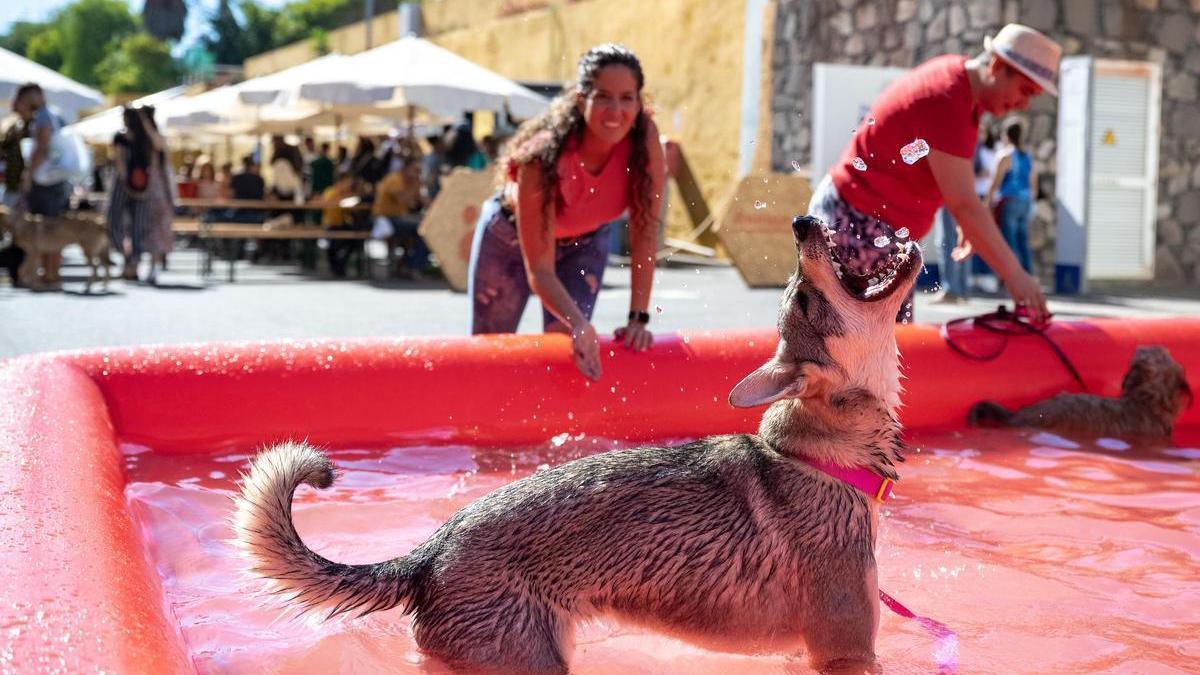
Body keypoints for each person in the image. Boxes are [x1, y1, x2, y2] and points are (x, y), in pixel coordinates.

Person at [808, 24, 1059, 323]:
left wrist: (970, 219)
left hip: (866, 225)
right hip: (854, 225)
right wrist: (1015, 276)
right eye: (1025, 90)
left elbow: (954, 186)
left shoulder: (960, 87)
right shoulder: (949, 97)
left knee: (883, 356)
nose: (1024, 105)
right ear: (997, 66)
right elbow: (964, 203)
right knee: (859, 358)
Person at [468, 43, 666, 380]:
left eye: (627, 97)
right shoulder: (541, 157)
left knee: (566, 352)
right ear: (580, 100)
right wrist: (579, 323)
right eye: (602, 96)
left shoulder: (644, 137)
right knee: (492, 355)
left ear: (639, 101)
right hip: (509, 241)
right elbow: (540, 269)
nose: (615, 110)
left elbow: (645, 230)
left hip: (584, 243)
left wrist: (638, 317)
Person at [13, 83, 71, 284]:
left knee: (49, 228)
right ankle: (50, 273)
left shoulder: (44, 117)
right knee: (50, 227)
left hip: (47, 182)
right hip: (54, 181)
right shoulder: (52, 115)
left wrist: (28, 175)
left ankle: (51, 274)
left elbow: (42, 148)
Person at [107, 105, 169, 282]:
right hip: (144, 186)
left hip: (125, 185)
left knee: (115, 220)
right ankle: (132, 261)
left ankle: (128, 259)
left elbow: (119, 164)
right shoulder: (144, 139)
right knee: (138, 226)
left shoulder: (123, 138)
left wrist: (127, 184)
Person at [987, 118, 1036, 275]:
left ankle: (1013, 277)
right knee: (1023, 241)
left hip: (1010, 201)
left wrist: (986, 201)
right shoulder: (1027, 156)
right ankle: (1028, 276)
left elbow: (996, 182)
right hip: (1026, 201)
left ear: (1006, 135)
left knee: (1010, 242)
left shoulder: (1005, 156)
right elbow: (1033, 181)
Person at [372, 159, 430, 277]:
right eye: (415, 170)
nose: (417, 174)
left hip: (396, 219)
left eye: (419, 171)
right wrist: (416, 185)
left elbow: (426, 203)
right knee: (424, 230)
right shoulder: (394, 179)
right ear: (404, 169)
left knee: (423, 228)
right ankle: (414, 267)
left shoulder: (409, 183)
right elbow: (402, 198)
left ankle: (406, 264)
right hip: (385, 220)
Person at [0, 114, 27, 285]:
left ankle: (15, 273)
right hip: (13, 190)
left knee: (12, 235)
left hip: (10, 190)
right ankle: (16, 274)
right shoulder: (16, 148)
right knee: (15, 235)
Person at [320, 171, 359, 278]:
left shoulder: (348, 194)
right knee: (333, 243)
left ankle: (341, 263)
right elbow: (328, 206)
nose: (349, 184)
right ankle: (336, 267)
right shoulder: (330, 192)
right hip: (331, 224)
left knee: (356, 239)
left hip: (343, 224)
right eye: (347, 182)